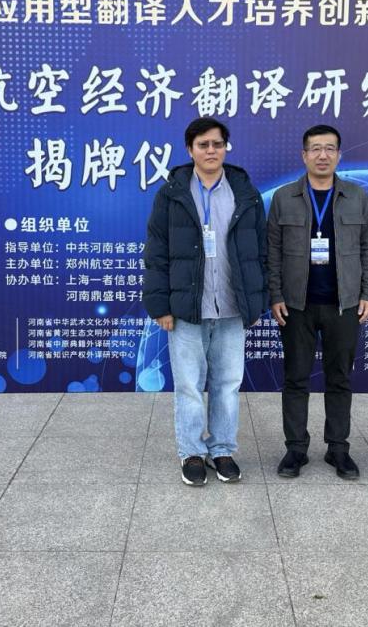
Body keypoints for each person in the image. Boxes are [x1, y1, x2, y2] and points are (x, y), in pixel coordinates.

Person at [143, 117, 268, 486]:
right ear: (190, 150)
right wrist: (160, 306)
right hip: (187, 308)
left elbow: (260, 251)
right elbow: (157, 253)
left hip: (232, 306)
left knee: (228, 384)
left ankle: (223, 449)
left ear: (225, 147)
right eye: (203, 145)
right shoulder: (171, 194)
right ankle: (192, 452)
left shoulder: (244, 192)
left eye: (217, 144)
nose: (211, 150)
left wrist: (256, 300)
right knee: (189, 385)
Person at [267, 125, 368, 479]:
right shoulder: (284, 197)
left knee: (339, 379)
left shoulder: (356, 197)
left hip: (343, 304)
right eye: (315, 148)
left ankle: (338, 449)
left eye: (330, 148)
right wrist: (275, 295)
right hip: (296, 305)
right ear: (304, 155)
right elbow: (272, 252)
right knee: (295, 379)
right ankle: (295, 450)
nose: (322, 155)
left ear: (339, 155)